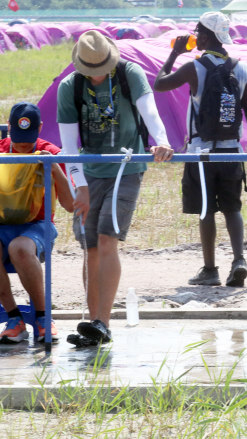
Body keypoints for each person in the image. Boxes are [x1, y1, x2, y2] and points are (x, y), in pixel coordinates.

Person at [57, 30, 174, 346]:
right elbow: (68, 146)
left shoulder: (129, 74)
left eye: (101, 68)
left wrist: (161, 141)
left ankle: (102, 322)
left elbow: (150, 112)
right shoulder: (71, 87)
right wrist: (80, 186)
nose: (96, 75)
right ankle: (93, 325)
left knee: (108, 239)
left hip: (127, 167)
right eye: (91, 70)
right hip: (89, 172)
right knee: (89, 245)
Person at [153, 12, 247, 287]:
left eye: (199, 31)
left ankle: (210, 269)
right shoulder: (242, 67)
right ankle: (239, 260)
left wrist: (175, 53)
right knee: (232, 207)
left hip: (200, 151)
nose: (196, 35)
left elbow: (159, 83)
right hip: (232, 150)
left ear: (209, 35)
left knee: (206, 210)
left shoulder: (194, 67)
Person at [0, 102, 74, 344]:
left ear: (40, 128)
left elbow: (70, 205)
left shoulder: (50, 152)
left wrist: (55, 170)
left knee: (19, 248)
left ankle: (43, 316)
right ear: (9, 127)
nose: (22, 145)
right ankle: (14, 318)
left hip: (37, 226)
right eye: (18, 138)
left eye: (28, 140)